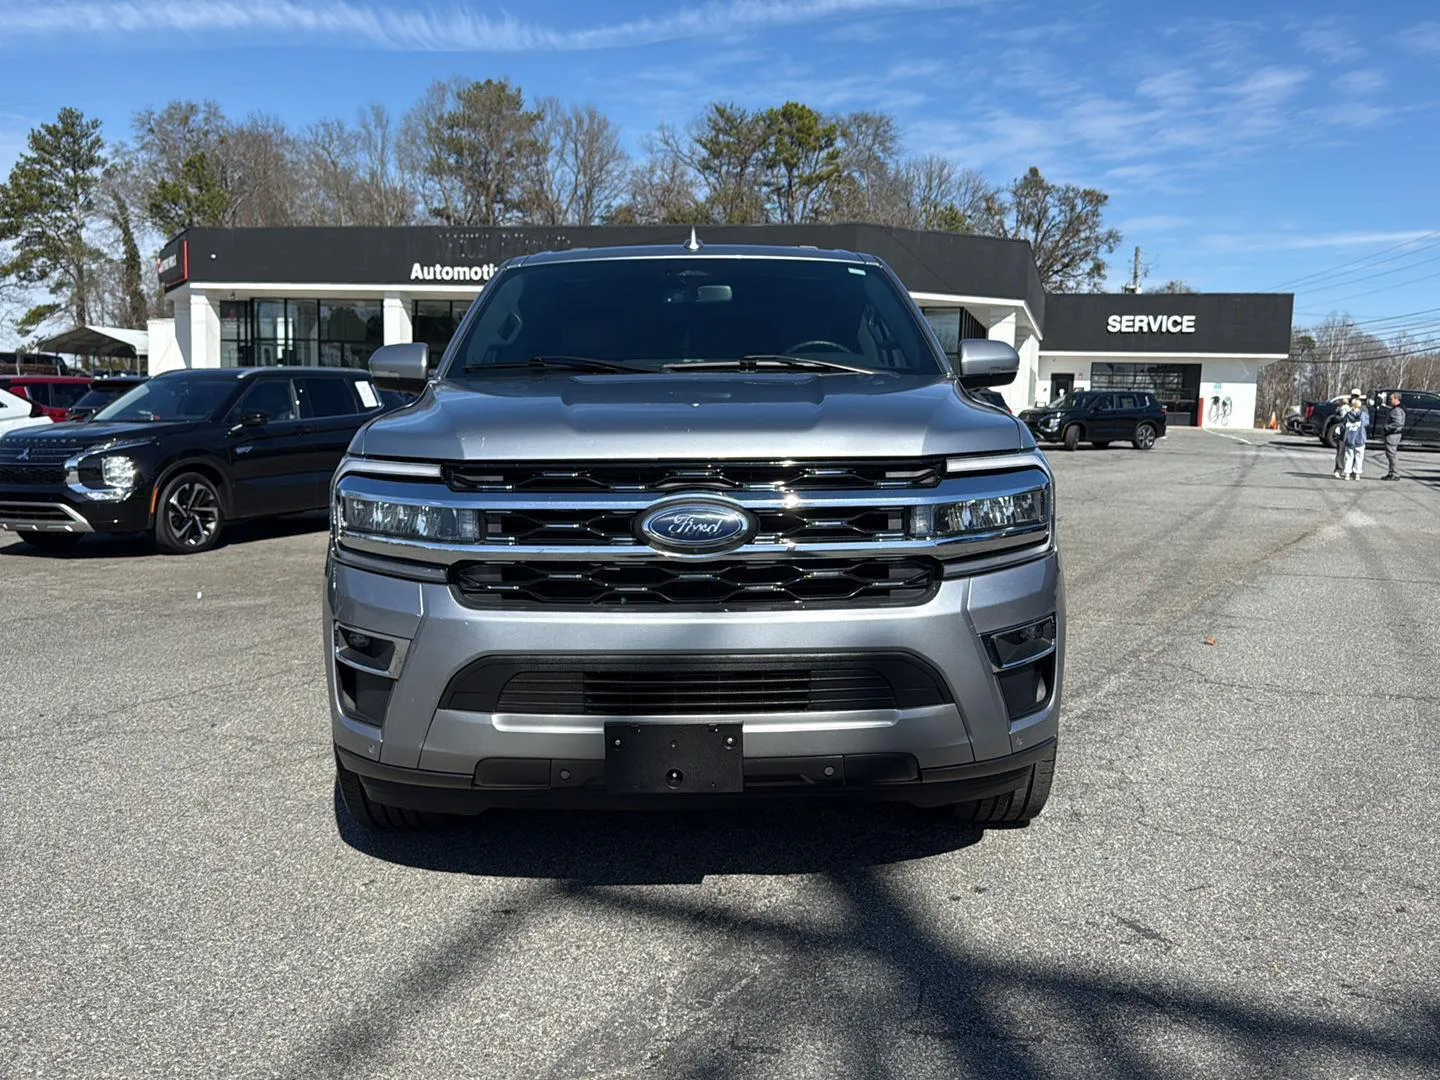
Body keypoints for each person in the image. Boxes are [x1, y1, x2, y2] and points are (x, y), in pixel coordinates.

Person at [1338, 396, 1369, 479]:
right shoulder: (1364, 415)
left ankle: (1347, 473)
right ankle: (1357, 474)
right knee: (1359, 457)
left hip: (1350, 438)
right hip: (1360, 438)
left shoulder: (1348, 415)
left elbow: (1343, 424)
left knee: (1348, 456)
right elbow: (1366, 424)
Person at [1381, 392, 1405, 480]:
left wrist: (1386, 428)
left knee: (1391, 455)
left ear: (1396, 399)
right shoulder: (1397, 409)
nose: (1390, 401)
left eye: (1391, 399)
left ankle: (1395, 473)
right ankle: (1391, 472)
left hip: (1392, 435)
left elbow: (1397, 423)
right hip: (1393, 435)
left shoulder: (1397, 410)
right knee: (1390, 455)